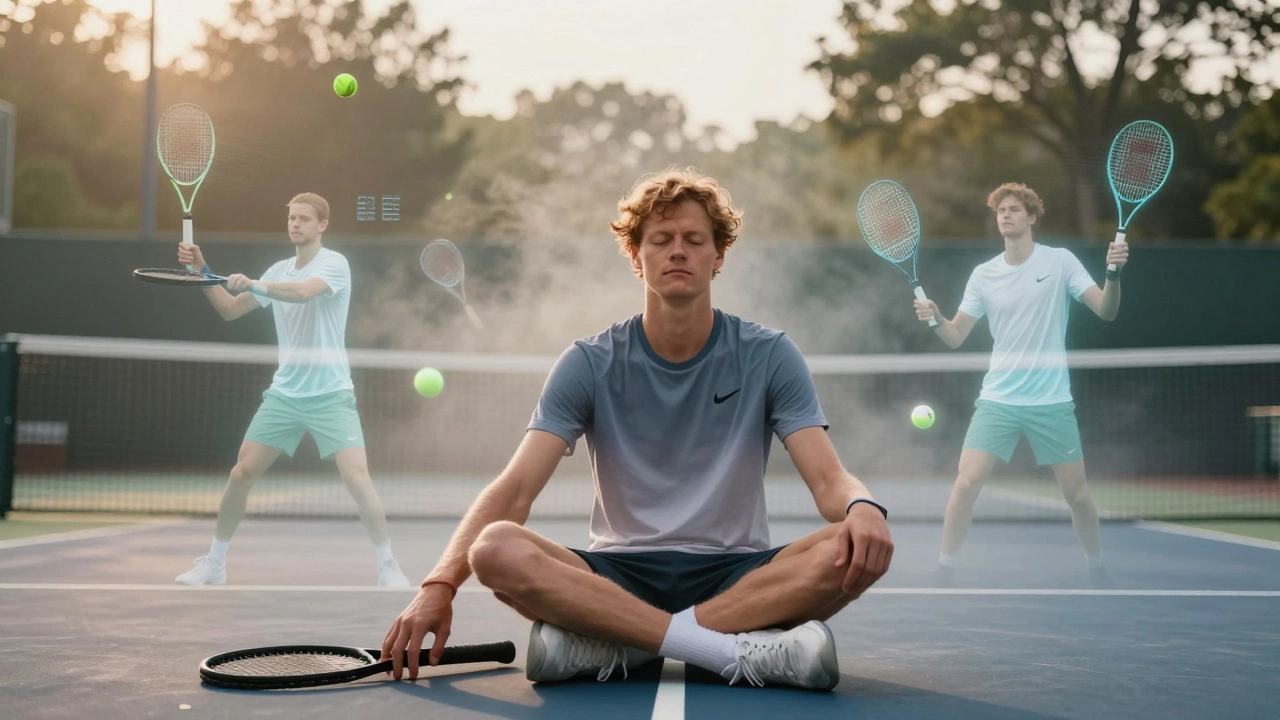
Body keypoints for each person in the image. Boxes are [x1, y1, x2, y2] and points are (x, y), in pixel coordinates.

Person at [381, 168, 893, 690]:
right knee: (493, 548)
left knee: (851, 543)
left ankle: (621, 645)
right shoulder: (588, 361)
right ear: (636, 255)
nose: (678, 252)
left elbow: (830, 481)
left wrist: (863, 507)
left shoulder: (769, 354)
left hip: (738, 578)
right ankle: (731, 652)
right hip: (616, 578)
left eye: (695, 240)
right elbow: (514, 489)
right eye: (662, 240)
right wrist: (438, 584)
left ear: (718, 257)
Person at [173, 192, 410, 588]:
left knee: (357, 478)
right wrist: (202, 270)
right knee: (241, 473)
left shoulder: (334, 264)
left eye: (303, 218)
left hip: (332, 393)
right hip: (285, 395)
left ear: (322, 225)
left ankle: (388, 566)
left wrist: (255, 283)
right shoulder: (278, 270)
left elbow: (302, 291)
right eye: (291, 218)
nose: (295, 224)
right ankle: (214, 563)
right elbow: (230, 309)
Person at [913, 183, 1128, 582]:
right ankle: (945, 568)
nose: (1006, 215)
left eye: (1014, 209)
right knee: (966, 483)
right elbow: (955, 335)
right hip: (998, 400)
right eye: (1000, 211)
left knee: (1077, 496)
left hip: (1051, 401)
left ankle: (1098, 569)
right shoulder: (984, 275)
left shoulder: (1060, 262)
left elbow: (1106, 310)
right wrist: (935, 318)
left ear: (1032, 217)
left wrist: (1113, 274)